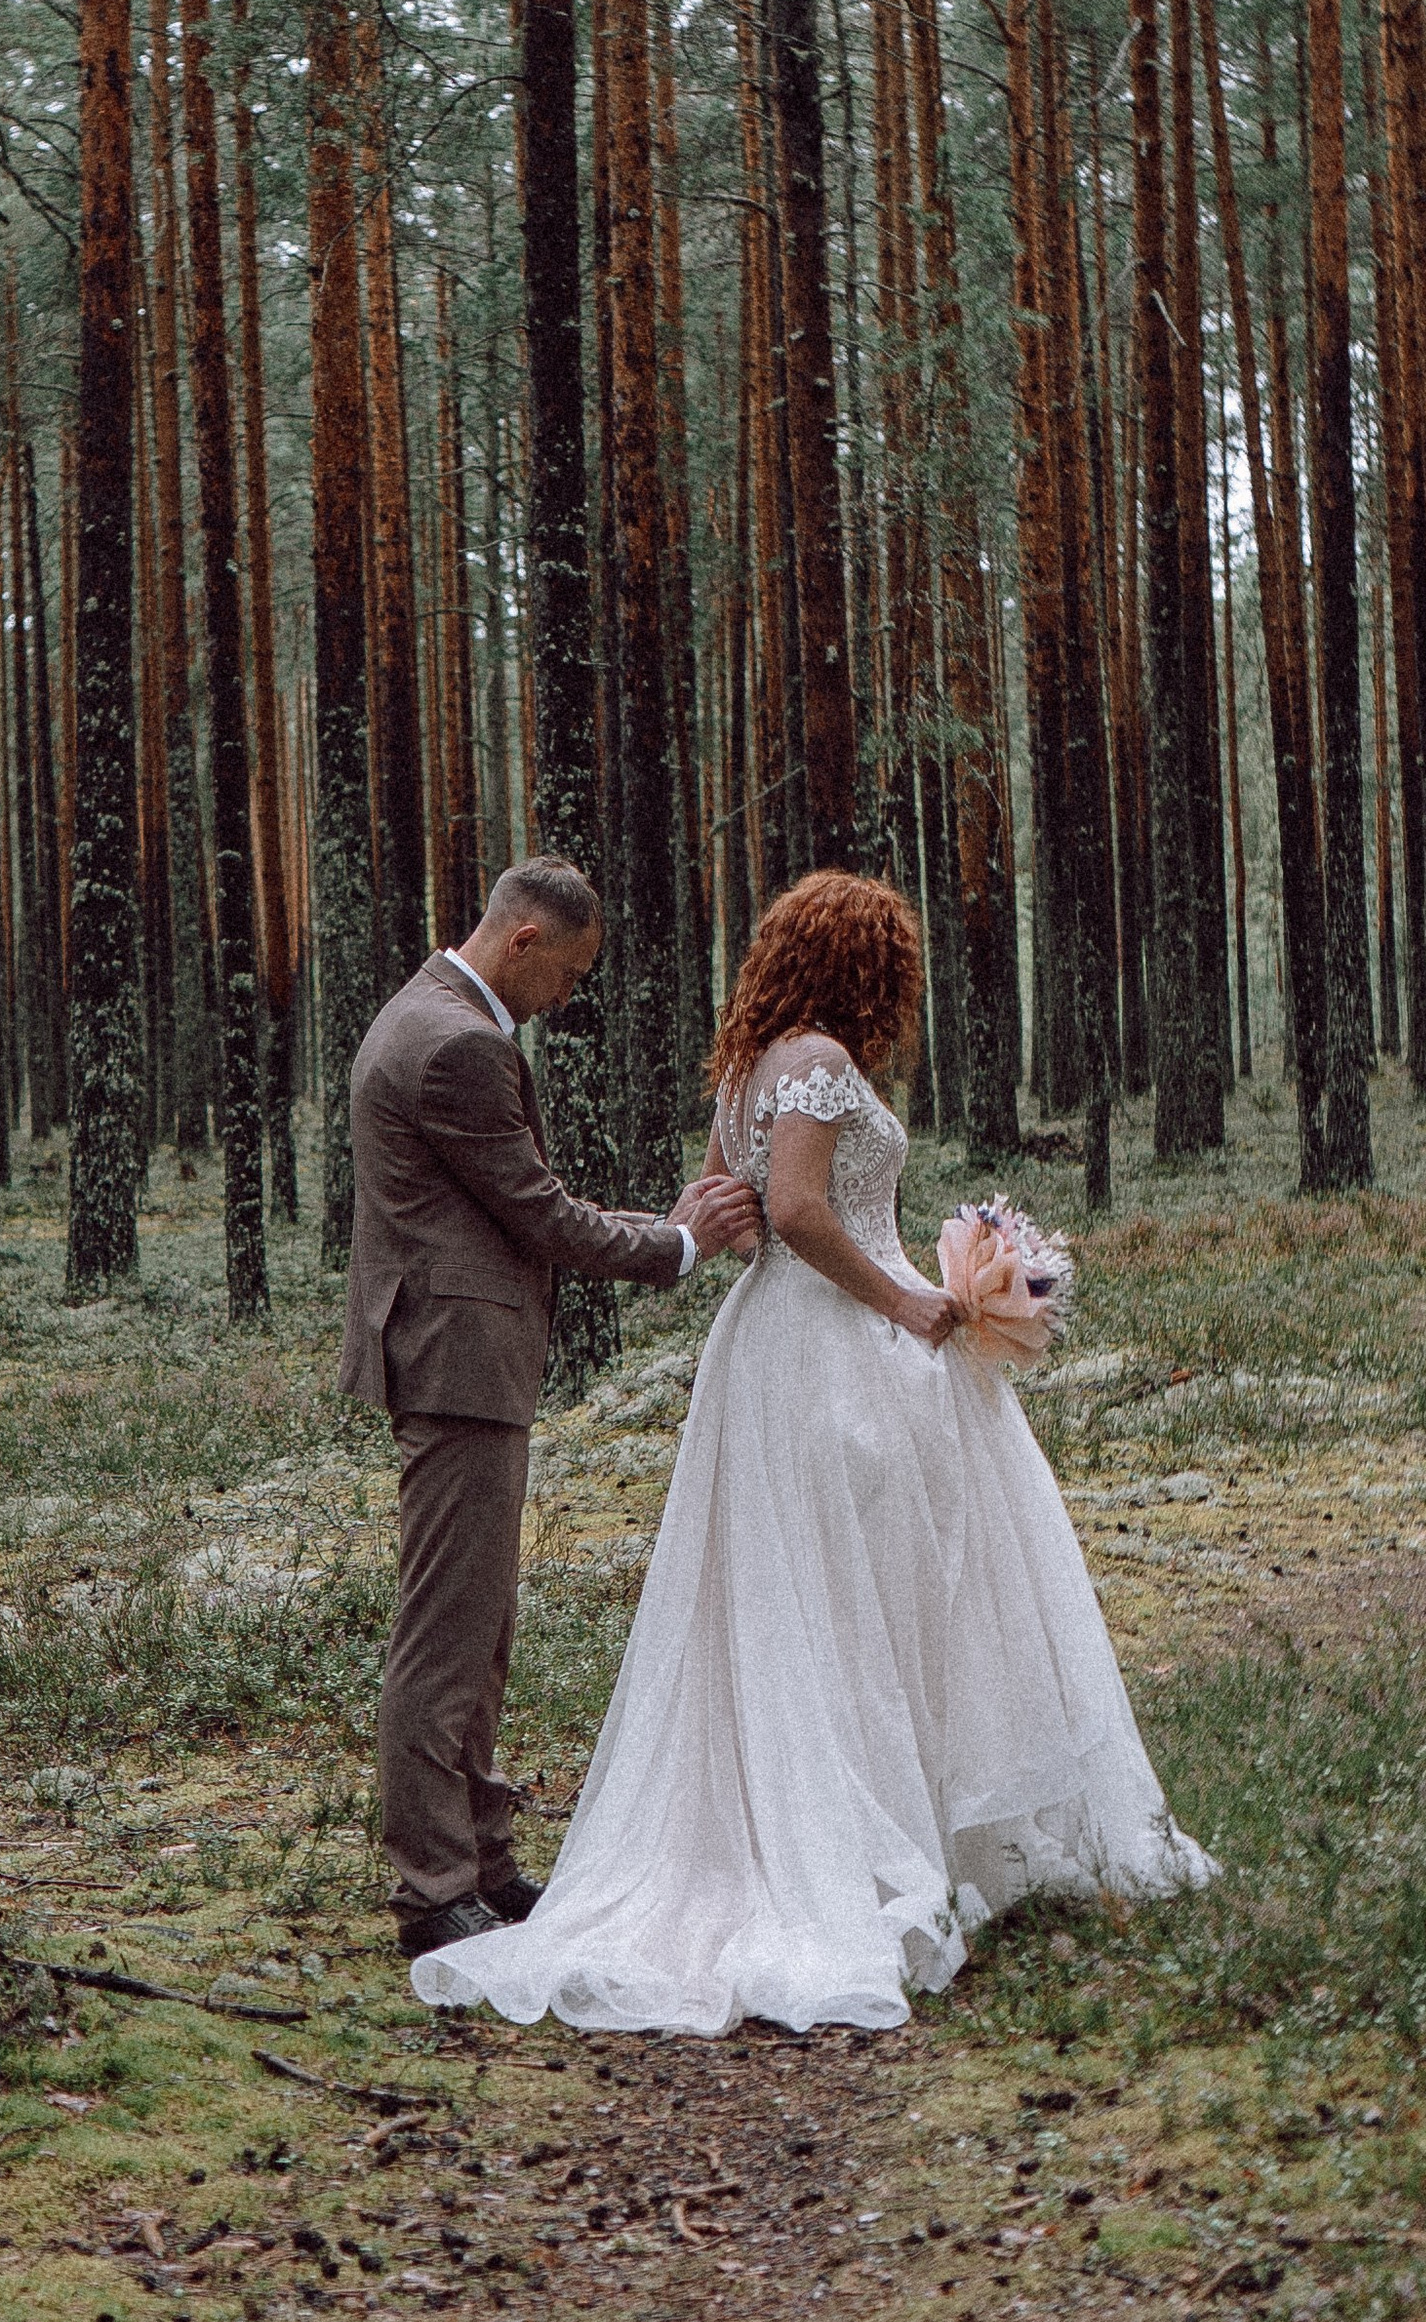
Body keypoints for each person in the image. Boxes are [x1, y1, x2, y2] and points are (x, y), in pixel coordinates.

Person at [411, 868, 1212, 2036]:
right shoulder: (818, 1062)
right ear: (864, 965)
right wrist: (901, 1299)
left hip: (774, 1343)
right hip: (836, 1350)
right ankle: (861, 1844)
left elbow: (735, 1213)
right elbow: (792, 1210)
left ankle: (892, 1819)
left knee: (814, 1593)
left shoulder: (749, 1067)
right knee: (859, 1591)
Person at [342, 858, 760, 1961]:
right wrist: (677, 1243)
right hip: (455, 1359)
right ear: (522, 940)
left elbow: (515, 1206)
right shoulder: (459, 1047)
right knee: (445, 1636)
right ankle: (433, 1889)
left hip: (453, 1354)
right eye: (568, 974)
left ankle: (476, 1857)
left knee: (477, 1628)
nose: (568, 998)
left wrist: (658, 1226)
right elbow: (537, 1214)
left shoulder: (427, 1011)